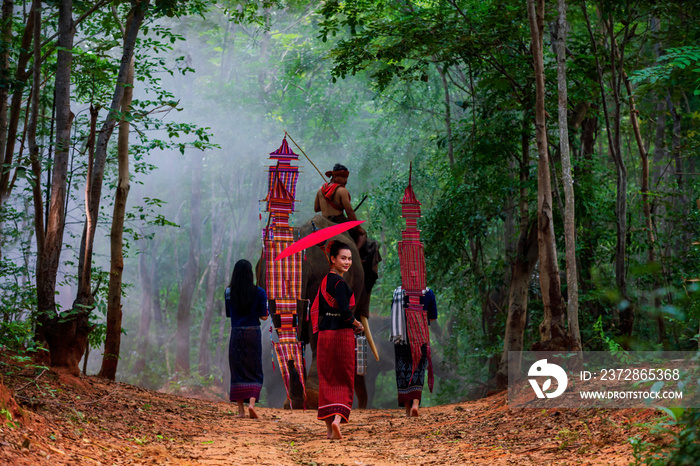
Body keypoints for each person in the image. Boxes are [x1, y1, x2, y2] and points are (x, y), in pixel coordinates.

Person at [311, 240, 364, 439]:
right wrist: (356, 323)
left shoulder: (325, 281)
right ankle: (336, 421)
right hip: (342, 336)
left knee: (326, 379)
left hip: (325, 336)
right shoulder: (341, 284)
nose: (347, 262)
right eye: (343, 258)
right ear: (332, 259)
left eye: (349, 258)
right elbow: (345, 313)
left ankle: (328, 429)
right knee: (344, 378)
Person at [225, 259, 269, 419]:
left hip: (236, 333)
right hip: (253, 333)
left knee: (238, 370)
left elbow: (229, 314)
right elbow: (264, 316)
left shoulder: (229, 292)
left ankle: (241, 411)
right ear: (251, 274)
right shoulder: (259, 292)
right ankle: (251, 404)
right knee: (254, 368)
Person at [390, 285, 438, 417]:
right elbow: (433, 317)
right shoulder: (428, 292)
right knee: (418, 369)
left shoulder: (398, 292)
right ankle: (415, 405)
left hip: (401, 338)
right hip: (420, 337)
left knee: (402, 371)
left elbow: (394, 315)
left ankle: (407, 409)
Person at [314, 163, 367, 249]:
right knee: (363, 234)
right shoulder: (342, 190)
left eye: (346, 178)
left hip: (324, 222)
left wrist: (326, 203)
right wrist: (358, 228)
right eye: (343, 177)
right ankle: (354, 254)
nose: (345, 180)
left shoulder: (321, 190)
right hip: (338, 222)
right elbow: (349, 212)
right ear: (334, 177)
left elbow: (316, 208)